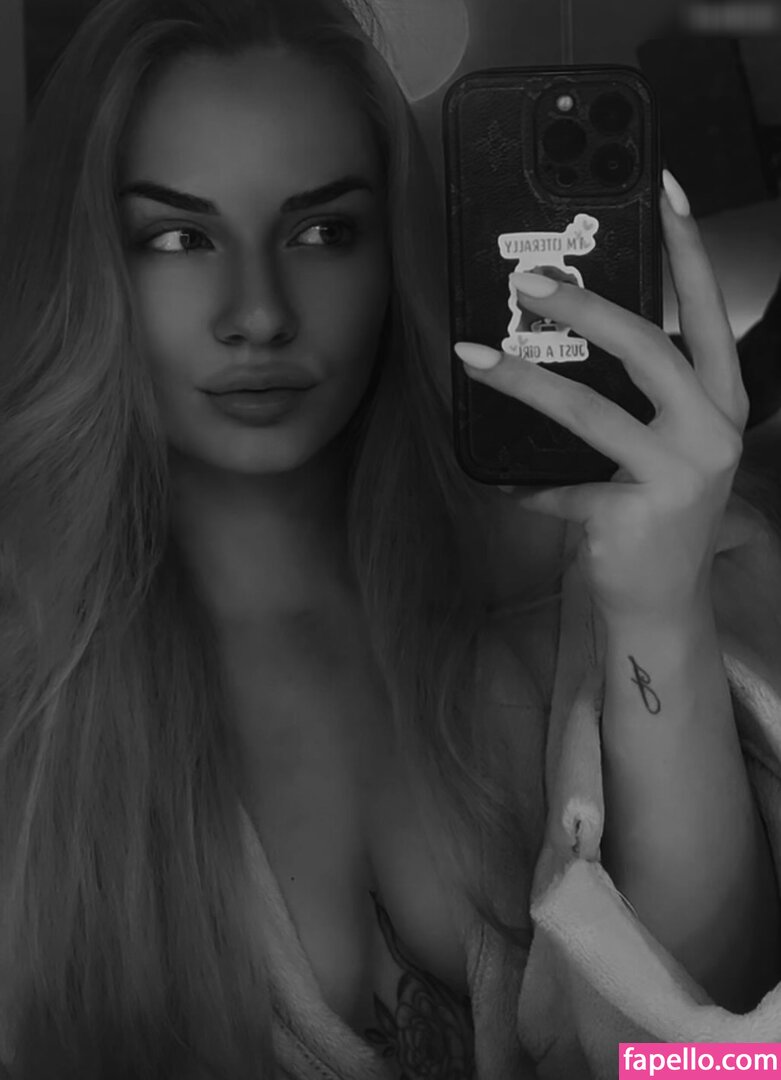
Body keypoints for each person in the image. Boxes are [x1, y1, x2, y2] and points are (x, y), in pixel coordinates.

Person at [0, 0, 779, 1077]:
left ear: (396, 248)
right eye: (179, 237)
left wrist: (659, 611)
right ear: (88, 264)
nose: (259, 313)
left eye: (323, 232)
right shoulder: (31, 675)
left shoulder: (575, 589)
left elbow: (712, 1064)